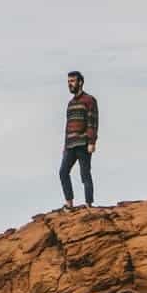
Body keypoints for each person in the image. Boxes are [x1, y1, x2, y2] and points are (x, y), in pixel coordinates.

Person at [59, 70, 98, 208]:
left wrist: (92, 142)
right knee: (63, 172)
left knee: (85, 174)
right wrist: (65, 146)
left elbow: (93, 122)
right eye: (68, 82)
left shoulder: (89, 100)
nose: (70, 84)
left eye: (72, 81)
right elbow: (68, 126)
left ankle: (88, 204)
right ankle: (69, 203)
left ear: (80, 82)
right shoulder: (70, 103)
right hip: (70, 144)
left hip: (83, 143)